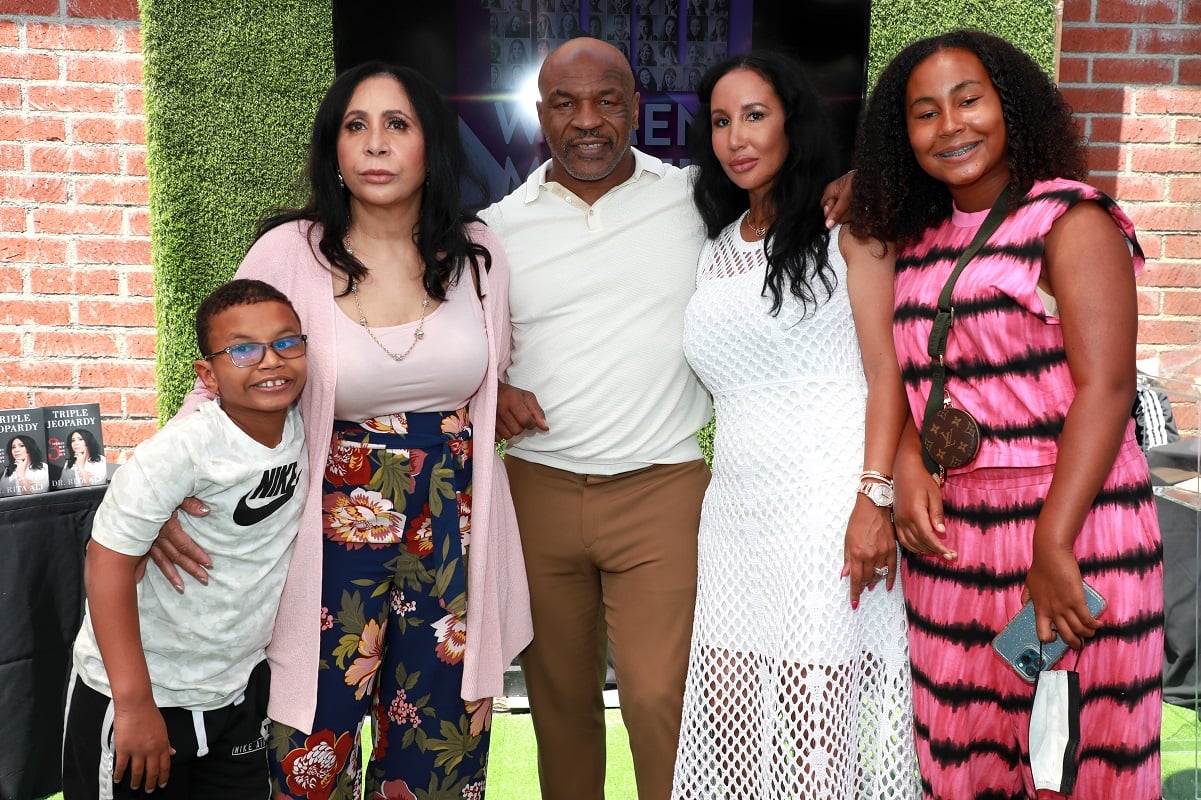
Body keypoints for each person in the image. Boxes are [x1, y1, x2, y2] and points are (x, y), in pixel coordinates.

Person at [481, 36, 854, 800]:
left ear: (636, 108)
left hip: (662, 489)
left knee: (662, 702)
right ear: (539, 114)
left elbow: (790, 194)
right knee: (558, 711)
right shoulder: (494, 229)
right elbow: (456, 348)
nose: (587, 119)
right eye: (565, 103)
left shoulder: (692, 198)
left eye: (606, 100)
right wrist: (489, 393)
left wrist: (861, 180)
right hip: (538, 492)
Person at [153, 62, 532, 799]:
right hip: (326, 535)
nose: (376, 145)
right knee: (309, 755)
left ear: (430, 146)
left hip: (453, 528)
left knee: (438, 755)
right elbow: (226, 376)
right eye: (356, 127)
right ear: (334, 148)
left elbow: (492, 374)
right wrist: (164, 489)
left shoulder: (477, 255)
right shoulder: (289, 251)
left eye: (397, 125)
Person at [850, 29, 1163, 798]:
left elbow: (1107, 389)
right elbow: (912, 374)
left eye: (968, 100)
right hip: (953, 544)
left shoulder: (1071, 218)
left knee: (1075, 761)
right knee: (959, 758)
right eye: (924, 113)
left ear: (1009, 108)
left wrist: (1052, 542)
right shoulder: (915, 237)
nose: (949, 125)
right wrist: (906, 461)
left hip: (1072, 522)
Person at [671, 50, 918, 800]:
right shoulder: (716, 247)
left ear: (792, 122)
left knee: (817, 741)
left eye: (754, 115)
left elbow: (889, 374)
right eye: (720, 121)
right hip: (736, 515)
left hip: (827, 512)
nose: (735, 137)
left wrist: (873, 499)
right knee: (730, 717)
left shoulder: (850, 224)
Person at [62, 279, 309, 799]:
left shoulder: (306, 430)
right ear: (208, 374)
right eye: (243, 349)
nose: (270, 361)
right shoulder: (182, 451)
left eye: (287, 342)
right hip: (140, 697)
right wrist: (133, 703)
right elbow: (105, 564)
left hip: (235, 694)